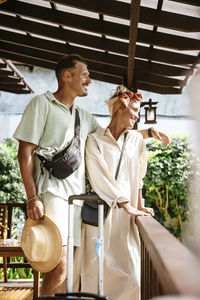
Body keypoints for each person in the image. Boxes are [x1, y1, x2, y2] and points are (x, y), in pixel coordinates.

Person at [13, 54, 169, 297]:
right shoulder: (41, 104)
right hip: (52, 195)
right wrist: (32, 197)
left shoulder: (82, 117)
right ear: (67, 76)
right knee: (59, 266)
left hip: (77, 203)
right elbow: (24, 153)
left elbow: (113, 133)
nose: (89, 79)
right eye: (84, 74)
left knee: (69, 272)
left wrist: (149, 132)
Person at [74, 86, 154, 300]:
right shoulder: (94, 140)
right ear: (119, 106)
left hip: (126, 222)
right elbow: (99, 177)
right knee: (95, 277)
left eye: (138, 111)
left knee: (132, 278)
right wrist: (123, 202)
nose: (137, 116)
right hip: (100, 217)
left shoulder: (137, 141)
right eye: (134, 110)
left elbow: (139, 177)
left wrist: (138, 205)